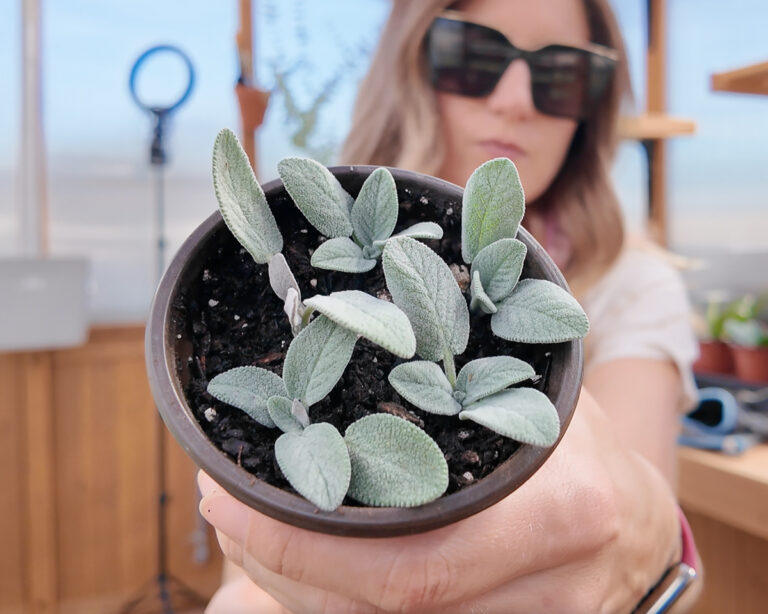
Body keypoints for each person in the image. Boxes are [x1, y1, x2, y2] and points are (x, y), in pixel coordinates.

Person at [198, 0, 703, 611]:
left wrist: (651, 546)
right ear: (410, 67)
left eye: (561, 74)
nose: (516, 98)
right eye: (475, 54)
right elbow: (244, 568)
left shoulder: (632, 285)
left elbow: (633, 501)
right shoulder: (313, 240)